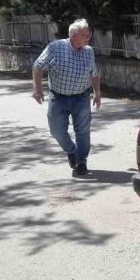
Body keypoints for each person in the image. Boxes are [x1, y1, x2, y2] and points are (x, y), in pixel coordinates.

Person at [32, 18, 101, 176]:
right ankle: (71, 150)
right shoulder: (56, 47)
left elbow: (94, 74)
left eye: (89, 35)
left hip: (82, 97)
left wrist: (97, 93)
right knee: (56, 130)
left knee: (83, 131)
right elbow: (37, 66)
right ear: (74, 35)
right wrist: (38, 90)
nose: (88, 37)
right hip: (59, 97)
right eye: (85, 35)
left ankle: (81, 161)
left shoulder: (89, 51)